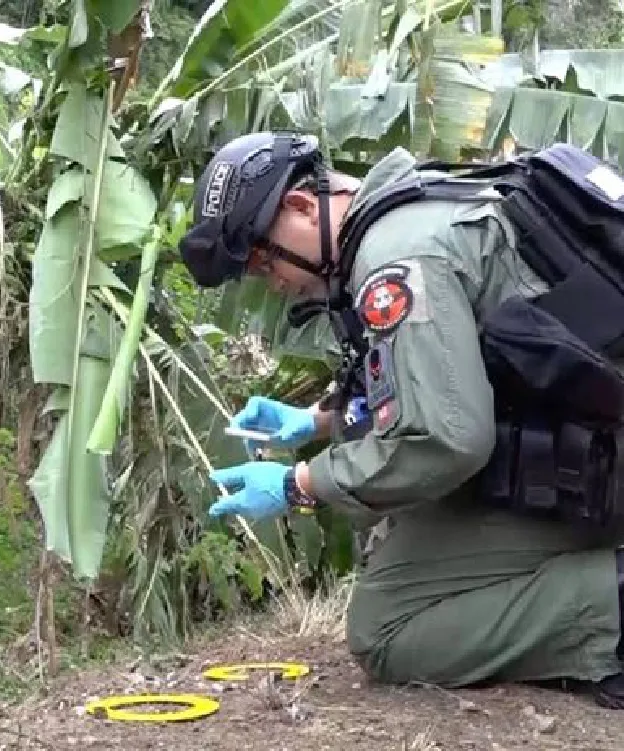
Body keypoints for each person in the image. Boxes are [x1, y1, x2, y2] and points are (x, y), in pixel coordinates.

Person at [177, 131, 624, 708]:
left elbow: (443, 440)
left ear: (301, 206)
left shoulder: (396, 259)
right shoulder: (419, 202)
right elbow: (462, 369)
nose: (271, 279)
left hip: (602, 461)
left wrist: (298, 485)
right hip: (592, 440)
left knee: (387, 631)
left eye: (264, 257)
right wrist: (318, 422)